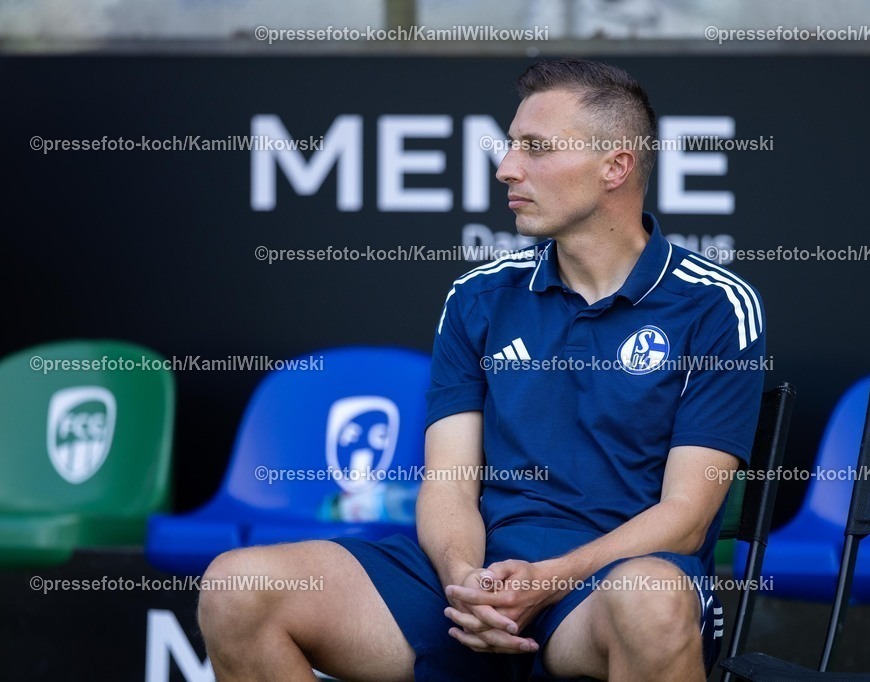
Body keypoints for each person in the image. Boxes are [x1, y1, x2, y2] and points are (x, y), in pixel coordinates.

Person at [197, 57, 766, 681]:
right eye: (510, 146)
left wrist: (545, 582)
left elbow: (684, 521)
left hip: (600, 594)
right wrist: (466, 581)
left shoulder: (715, 305)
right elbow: (448, 483)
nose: (506, 168)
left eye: (536, 148)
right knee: (238, 585)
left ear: (616, 166)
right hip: (475, 585)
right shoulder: (477, 296)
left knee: (650, 601)